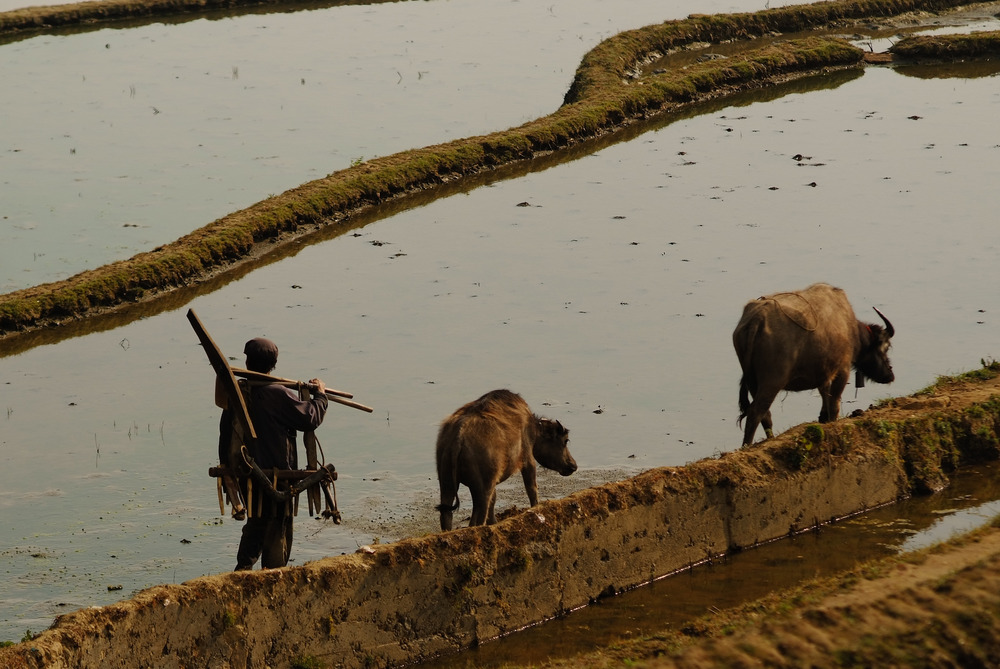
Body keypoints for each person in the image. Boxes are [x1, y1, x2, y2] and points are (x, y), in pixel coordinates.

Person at [233, 337, 329, 570]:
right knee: (278, 525)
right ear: (273, 365)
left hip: (249, 476)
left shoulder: (239, 392)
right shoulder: (277, 393)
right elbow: (309, 418)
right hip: (277, 477)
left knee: (257, 522)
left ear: (247, 362)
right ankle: (272, 576)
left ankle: (243, 571)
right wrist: (321, 397)